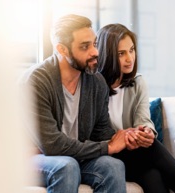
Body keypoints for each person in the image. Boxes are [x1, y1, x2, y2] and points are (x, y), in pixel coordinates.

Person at [22, 14, 127, 193]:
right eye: (84, 47)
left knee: (113, 166)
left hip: (75, 156)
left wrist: (126, 137)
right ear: (62, 49)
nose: (95, 52)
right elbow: (52, 144)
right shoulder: (37, 81)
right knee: (66, 166)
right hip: (34, 158)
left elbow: (101, 133)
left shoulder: (96, 81)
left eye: (94, 44)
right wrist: (107, 146)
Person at [96, 23, 175, 193]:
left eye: (131, 50)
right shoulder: (94, 86)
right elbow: (96, 133)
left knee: (152, 175)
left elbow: (143, 119)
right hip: (108, 155)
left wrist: (146, 132)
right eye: (121, 54)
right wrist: (125, 139)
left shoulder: (137, 83)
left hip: (136, 156)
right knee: (150, 149)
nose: (130, 58)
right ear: (108, 56)